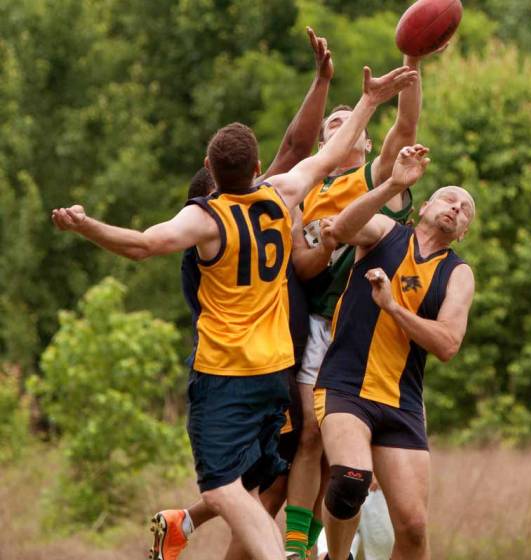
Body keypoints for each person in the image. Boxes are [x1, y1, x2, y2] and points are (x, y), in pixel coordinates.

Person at [50, 65, 418, 560]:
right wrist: (369, 101)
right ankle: (273, 548)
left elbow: (141, 245)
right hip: (275, 373)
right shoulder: (280, 194)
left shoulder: (206, 218)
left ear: (208, 167)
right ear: (259, 165)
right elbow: (328, 153)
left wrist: (85, 225)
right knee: (253, 489)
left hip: (226, 375)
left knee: (223, 486)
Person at [148, 26, 333, 560]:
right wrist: (323, 82)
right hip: (252, 371)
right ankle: (191, 521)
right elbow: (297, 148)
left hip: (273, 364)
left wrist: (323, 84)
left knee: (264, 485)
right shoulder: (225, 228)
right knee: (264, 488)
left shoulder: (241, 208)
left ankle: (182, 521)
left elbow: (297, 149)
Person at [284, 51, 426, 559]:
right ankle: (298, 548)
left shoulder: (375, 176)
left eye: (350, 122)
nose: (342, 126)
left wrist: (411, 60)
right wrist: (325, 243)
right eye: (333, 125)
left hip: (368, 334)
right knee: (310, 442)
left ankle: (341, 544)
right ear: (327, 142)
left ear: (365, 140)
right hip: (321, 324)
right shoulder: (304, 191)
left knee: (355, 466)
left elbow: (407, 123)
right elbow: (301, 267)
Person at [316, 144, 476, 560]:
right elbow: (340, 230)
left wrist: (392, 307)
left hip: (402, 402)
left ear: (463, 234)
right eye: (448, 198)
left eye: (465, 210)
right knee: (351, 479)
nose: (456, 208)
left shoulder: (458, 274)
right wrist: (392, 183)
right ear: (423, 207)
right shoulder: (387, 232)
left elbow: (447, 344)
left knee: (414, 528)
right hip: (347, 386)